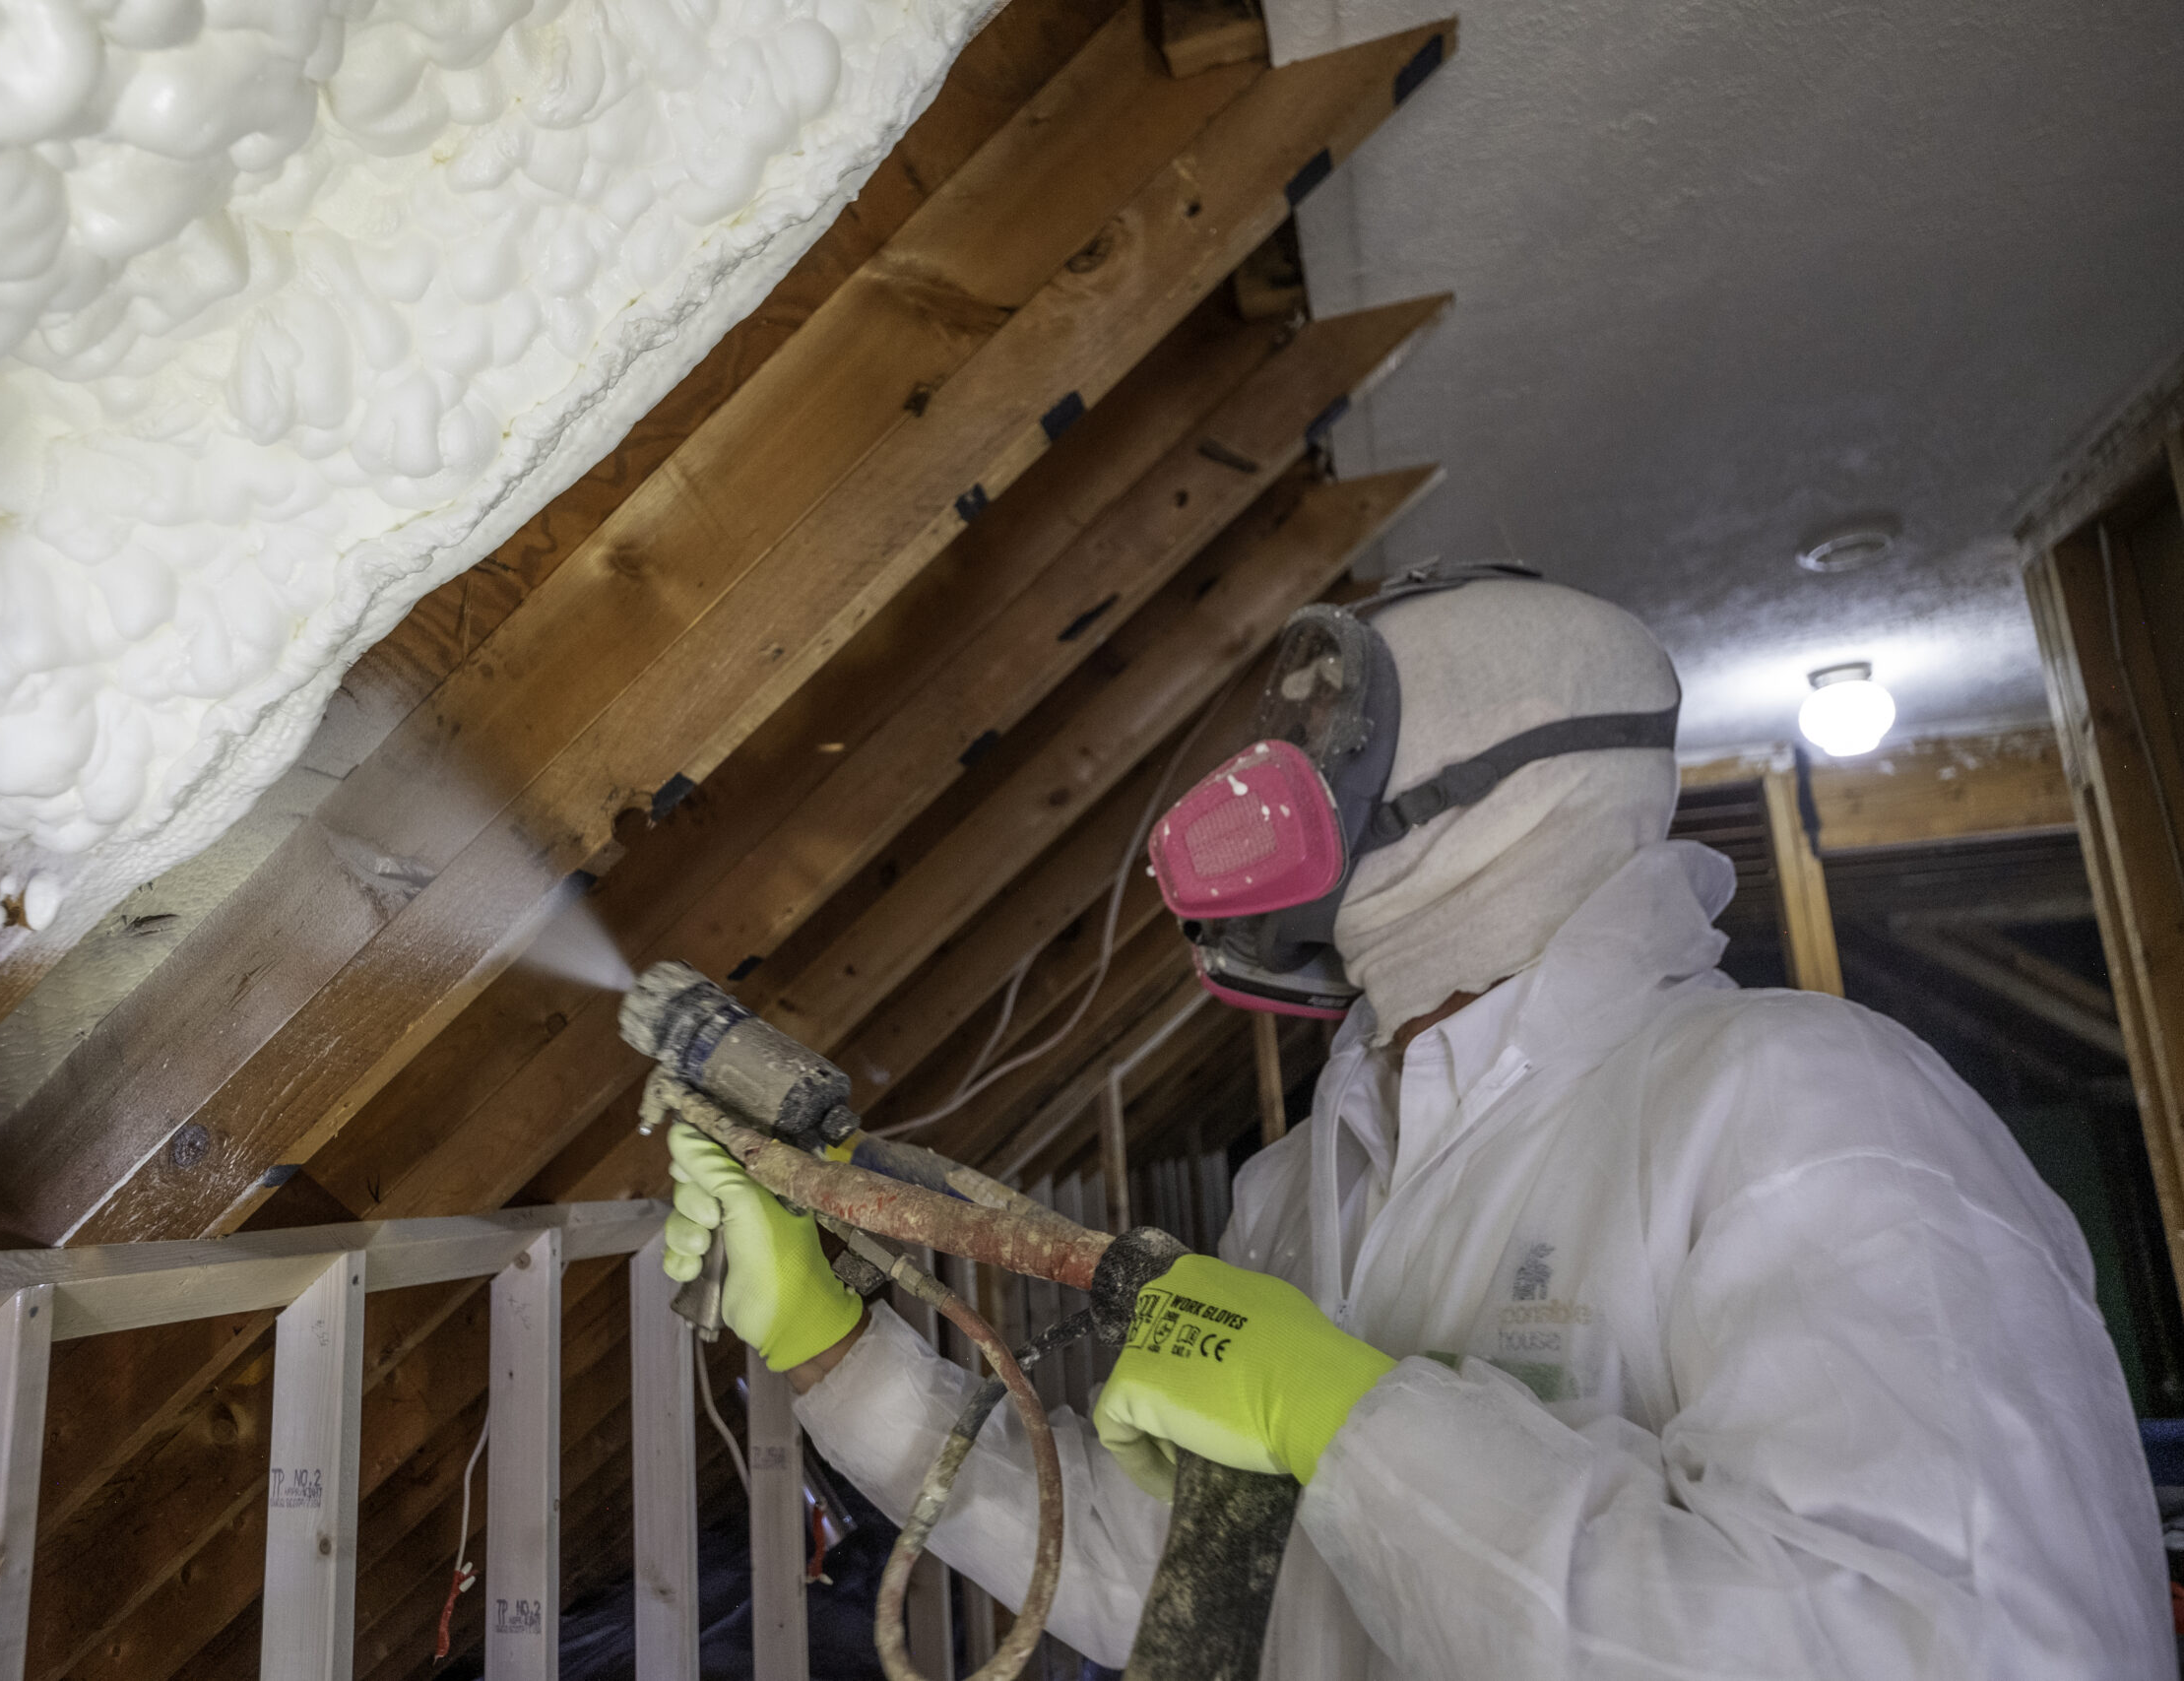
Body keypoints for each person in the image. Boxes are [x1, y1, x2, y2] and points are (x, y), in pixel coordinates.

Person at [659, 569, 2172, 1677]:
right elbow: (1185, 1593)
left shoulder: (1796, 1104)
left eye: (1336, 739)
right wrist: (839, 1360)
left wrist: (1351, 1422)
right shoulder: (1305, 1189)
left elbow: (1957, 1649)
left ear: (1519, 773)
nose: (1276, 784)